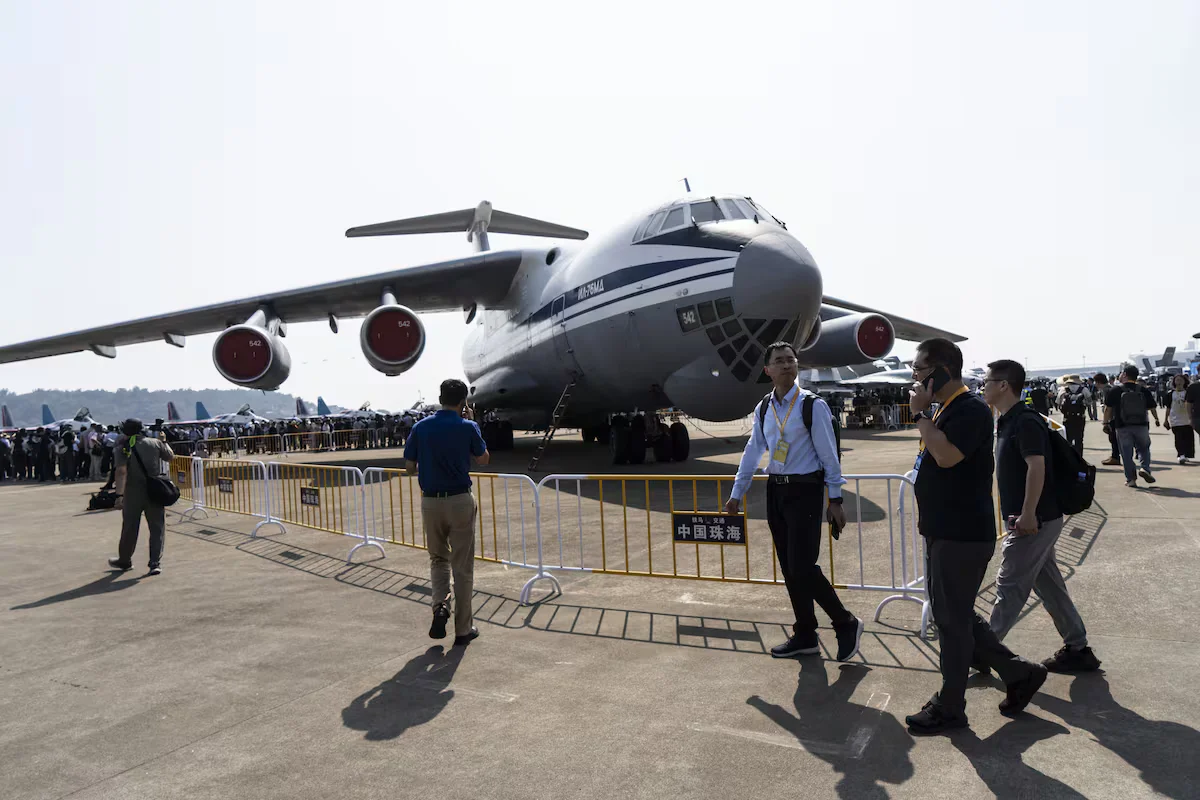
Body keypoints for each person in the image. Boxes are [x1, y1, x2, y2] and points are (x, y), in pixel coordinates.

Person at [904, 338, 1047, 735]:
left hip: (961, 533)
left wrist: (919, 416)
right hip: (943, 529)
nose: (914, 378)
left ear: (942, 372)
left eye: (919, 370)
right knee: (956, 614)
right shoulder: (948, 409)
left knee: (950, 621)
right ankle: (1019, 673)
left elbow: (947, 456)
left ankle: (951, 706)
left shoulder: (969, 410)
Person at [725, 341, 864, 662]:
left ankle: (845, 622)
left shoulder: (810, 405)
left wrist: (836, 499)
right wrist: (737, 492)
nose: (787, 365)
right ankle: (805, 634)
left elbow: (830, 456)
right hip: (777, 491)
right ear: (768, 370)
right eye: (779, 361)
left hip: (805, 491)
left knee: (803, 566)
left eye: (791, 360)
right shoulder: (764, 408)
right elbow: (752, 452)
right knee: (790, 568)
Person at [984, 360, 1101, 673]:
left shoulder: (1025, 422)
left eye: (987, 381)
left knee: (1009, 585)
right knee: (1048, 585)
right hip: (1033, 518)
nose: (983, 386)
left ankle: (982, 654)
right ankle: (1078, 647)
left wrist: (1028, 513)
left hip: (1034, 520)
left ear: (1003, 385)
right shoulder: (1007, 420)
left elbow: (1037, 467)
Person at [404, 379, 490, 647]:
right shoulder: (467, 426)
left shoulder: (421, 427)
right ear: (463, 401)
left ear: (440, 398)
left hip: (431, 501)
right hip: (460, 500)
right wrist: (473, 423)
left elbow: (408, 467)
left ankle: (440, 605)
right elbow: (483, 458)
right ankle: (463, 630)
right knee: (462, 567)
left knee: (438, 559)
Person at [108, 418, 175, 576]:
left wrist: (119, 495)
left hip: (132, 493)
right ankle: (154, 563)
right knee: (157, 528)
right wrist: (164, 441)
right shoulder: (154, 443)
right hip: (154, 492)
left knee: (130, 527)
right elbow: (170, 456)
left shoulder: (122, 447)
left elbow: (121, 472)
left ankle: (125, 560)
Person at [1104, 365, 1160, 488]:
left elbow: (1108, 409)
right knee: (1144, 449)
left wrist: (1105, 423)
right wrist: (1156, 419)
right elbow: (1152, 407)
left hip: (1122, 425)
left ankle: (1131, 479)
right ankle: (1145, 468)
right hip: (1141, 425)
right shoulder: (1143, 390)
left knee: (1126, 453)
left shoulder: (1115, 390)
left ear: (1124, 374)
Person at [1056, 375, 1089, 456]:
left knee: (1068, 440)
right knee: (1079, 439)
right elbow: (1089, 402)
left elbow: (1058, 402)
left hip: (1067, 418)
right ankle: (1080, 459)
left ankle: (1070, 459)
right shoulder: (1084, 389)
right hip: (1080, 417)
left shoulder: (1063, 390)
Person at [1164, 374, 1195, 465]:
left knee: (1188, 438)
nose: (1179, 381)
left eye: (1181, 380)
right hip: (1175, 420)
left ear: (1185, 381)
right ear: (1174, 382)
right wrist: (1166, 419)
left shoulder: (1188, 393)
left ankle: (1186, 455)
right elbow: (1168, 408)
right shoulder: (1170, 394)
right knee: (1179, 438)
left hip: (1187, 419)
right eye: (1177, 380)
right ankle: (1180, 454)